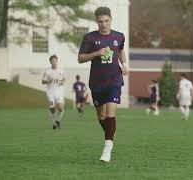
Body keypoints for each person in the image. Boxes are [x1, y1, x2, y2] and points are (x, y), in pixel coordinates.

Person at [78, 6, 128, 162]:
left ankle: (108, 147)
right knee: (102, 115)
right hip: (97, 82)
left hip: (114, 79)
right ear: (96, 22)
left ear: (111, 20)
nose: (104, 24)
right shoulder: (90, 38)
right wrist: (96, 53)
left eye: (106, 21)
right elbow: (80, 58)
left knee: (111, 113)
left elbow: (120, 50)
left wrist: (124, 63)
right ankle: (110, 133)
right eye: (100, 22)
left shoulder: (119, 36)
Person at [42, 55, 65, 130]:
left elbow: (63, 79)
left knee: (61, 108)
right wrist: (48, 81)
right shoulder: (47, 71)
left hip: (59, 91)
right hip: (50, 92)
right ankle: (54, 122)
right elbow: (43, 81)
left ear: (57, 61)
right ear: (50, 62)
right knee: (52, 108)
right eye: (52, 61)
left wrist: (62, 82)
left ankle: (57, 120)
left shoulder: (61, 70)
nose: (54, 62)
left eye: (55, 61)